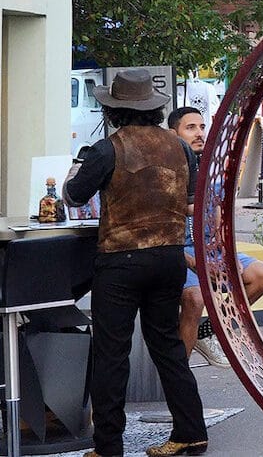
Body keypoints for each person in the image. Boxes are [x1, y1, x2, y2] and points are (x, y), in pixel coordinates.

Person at [63, 69, 208, 457]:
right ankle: (191, 432)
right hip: (169, 256)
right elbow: (191, 197)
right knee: (167, 347)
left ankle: (108, 446)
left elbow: (75, 196)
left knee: (112, 353)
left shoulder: (109, 148)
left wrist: (75, 171)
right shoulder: (177, 147)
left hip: (121, 261)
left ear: (114, 111)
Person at [165, 107, 263, 368]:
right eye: (191, 128)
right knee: (195, 299)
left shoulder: (210, 170)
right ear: (173, 134)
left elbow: (218, 221)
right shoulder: (166, 172)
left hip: (208, 252)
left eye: (202, 127)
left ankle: (214, 330)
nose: (199, 133)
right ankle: (179, 378)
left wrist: (226, 256)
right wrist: (197, 263)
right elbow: (161, 231)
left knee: (262, 275)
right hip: (180, 254)